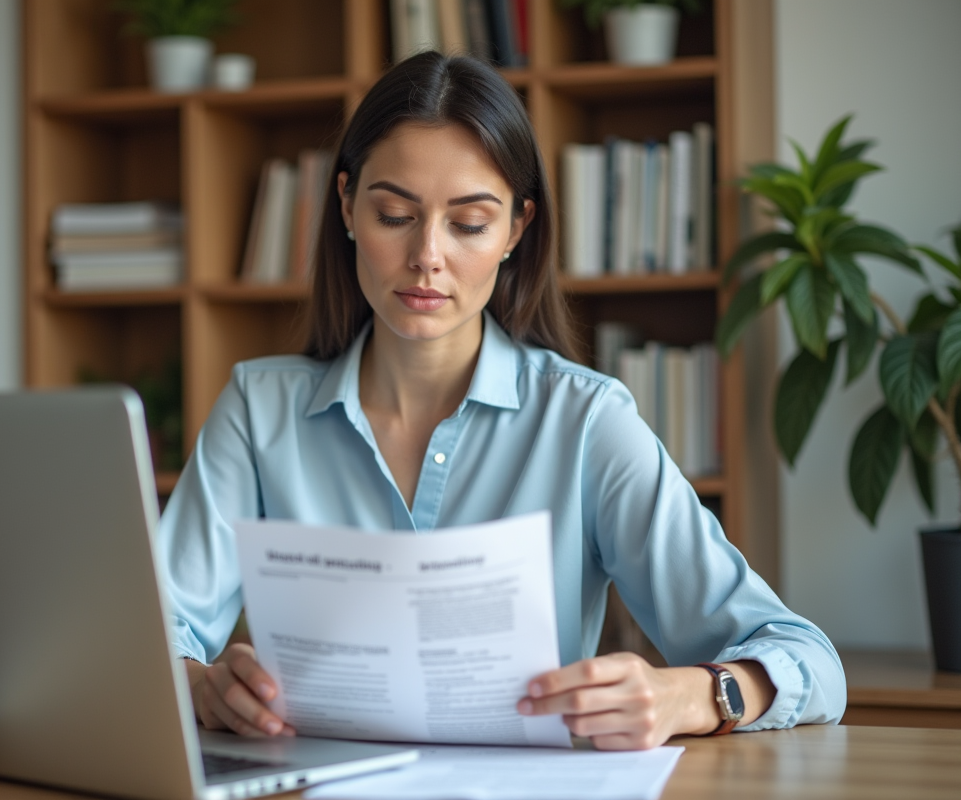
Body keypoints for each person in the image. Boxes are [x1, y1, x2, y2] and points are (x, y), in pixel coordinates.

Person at [156, 51, 846, 751]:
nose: (427, 255)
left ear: (517, 230)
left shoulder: (586, 423)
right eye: (395, 213)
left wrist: (687, 695)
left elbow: (808, 661)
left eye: (469, 223)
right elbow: (149, 637)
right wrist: (198, 685)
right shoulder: (257, 410)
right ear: (346, 207)